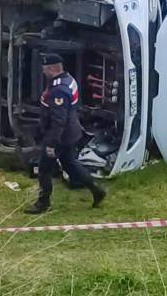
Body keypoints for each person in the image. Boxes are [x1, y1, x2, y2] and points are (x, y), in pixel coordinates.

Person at [26, 54, 106, 214]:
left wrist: (51, 144)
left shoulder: (58, 91)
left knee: (44, 169)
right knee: (71, 164)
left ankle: (43, 203)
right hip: (71, 133)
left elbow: (58, 121)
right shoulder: (68, 80)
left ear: (52, 69)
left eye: (45, 69)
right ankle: (96, 190)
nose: (43, 72)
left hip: (59, 137)